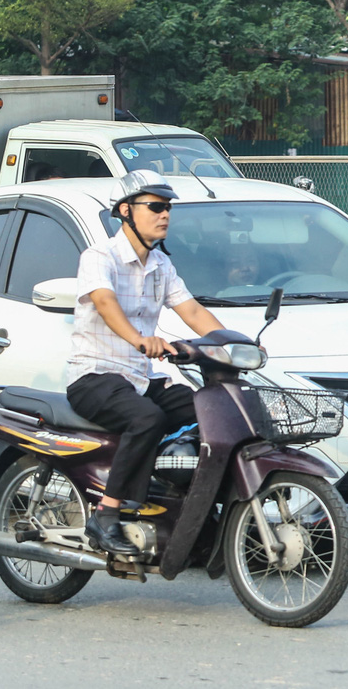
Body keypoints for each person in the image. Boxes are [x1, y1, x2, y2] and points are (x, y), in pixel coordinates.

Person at [66, 169, 224, 555]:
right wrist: (139, 339)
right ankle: (107, 514)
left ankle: (182, 506)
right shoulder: (99, 257)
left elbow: (192, 311)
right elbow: (105, 303)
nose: (165, 214)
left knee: (210, 409)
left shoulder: (161, 265)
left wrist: (232, 346)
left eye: (168, 207)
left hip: (138, 377)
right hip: (95, 375)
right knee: (146, 419)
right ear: (125, 211)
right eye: (155, 206)